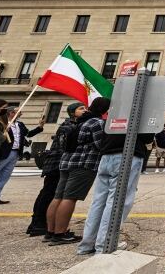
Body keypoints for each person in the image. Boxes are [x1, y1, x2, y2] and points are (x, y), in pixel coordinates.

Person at [77, 115, 154, 254]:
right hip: (128, 155)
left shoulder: (116, 107)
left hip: (107, 155)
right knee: (119, 201)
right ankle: (105, 244)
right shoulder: (140, 107)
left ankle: (87, 243)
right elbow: (147, 136)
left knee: (98, 201)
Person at [47, 97, 110, 245]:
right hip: (83, 163)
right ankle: (60, 234)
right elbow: (100, 144)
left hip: (67, 161)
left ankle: (50, 231)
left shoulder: (79, 121)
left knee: (58, 196)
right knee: (70, 198)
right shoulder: (96, 123)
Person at [26, 103, 85, 236]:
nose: (84, 110)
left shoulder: (72, 125)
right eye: (81, 108)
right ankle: (38, 224)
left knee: (50, 193)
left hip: (59, 163)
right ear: (72, 112)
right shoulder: (68, 126)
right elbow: (66, 146)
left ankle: (38, 224)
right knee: (49, 193)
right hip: (57, 164)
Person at [0, 107, 44, 204]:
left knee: (5, 176)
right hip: (4, 152)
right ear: (11, 113)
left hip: (16, 153)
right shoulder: (1, 123)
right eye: (19, 111)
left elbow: (28, 134)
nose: (21, 113)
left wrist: (39, 127)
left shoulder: (20, 124)